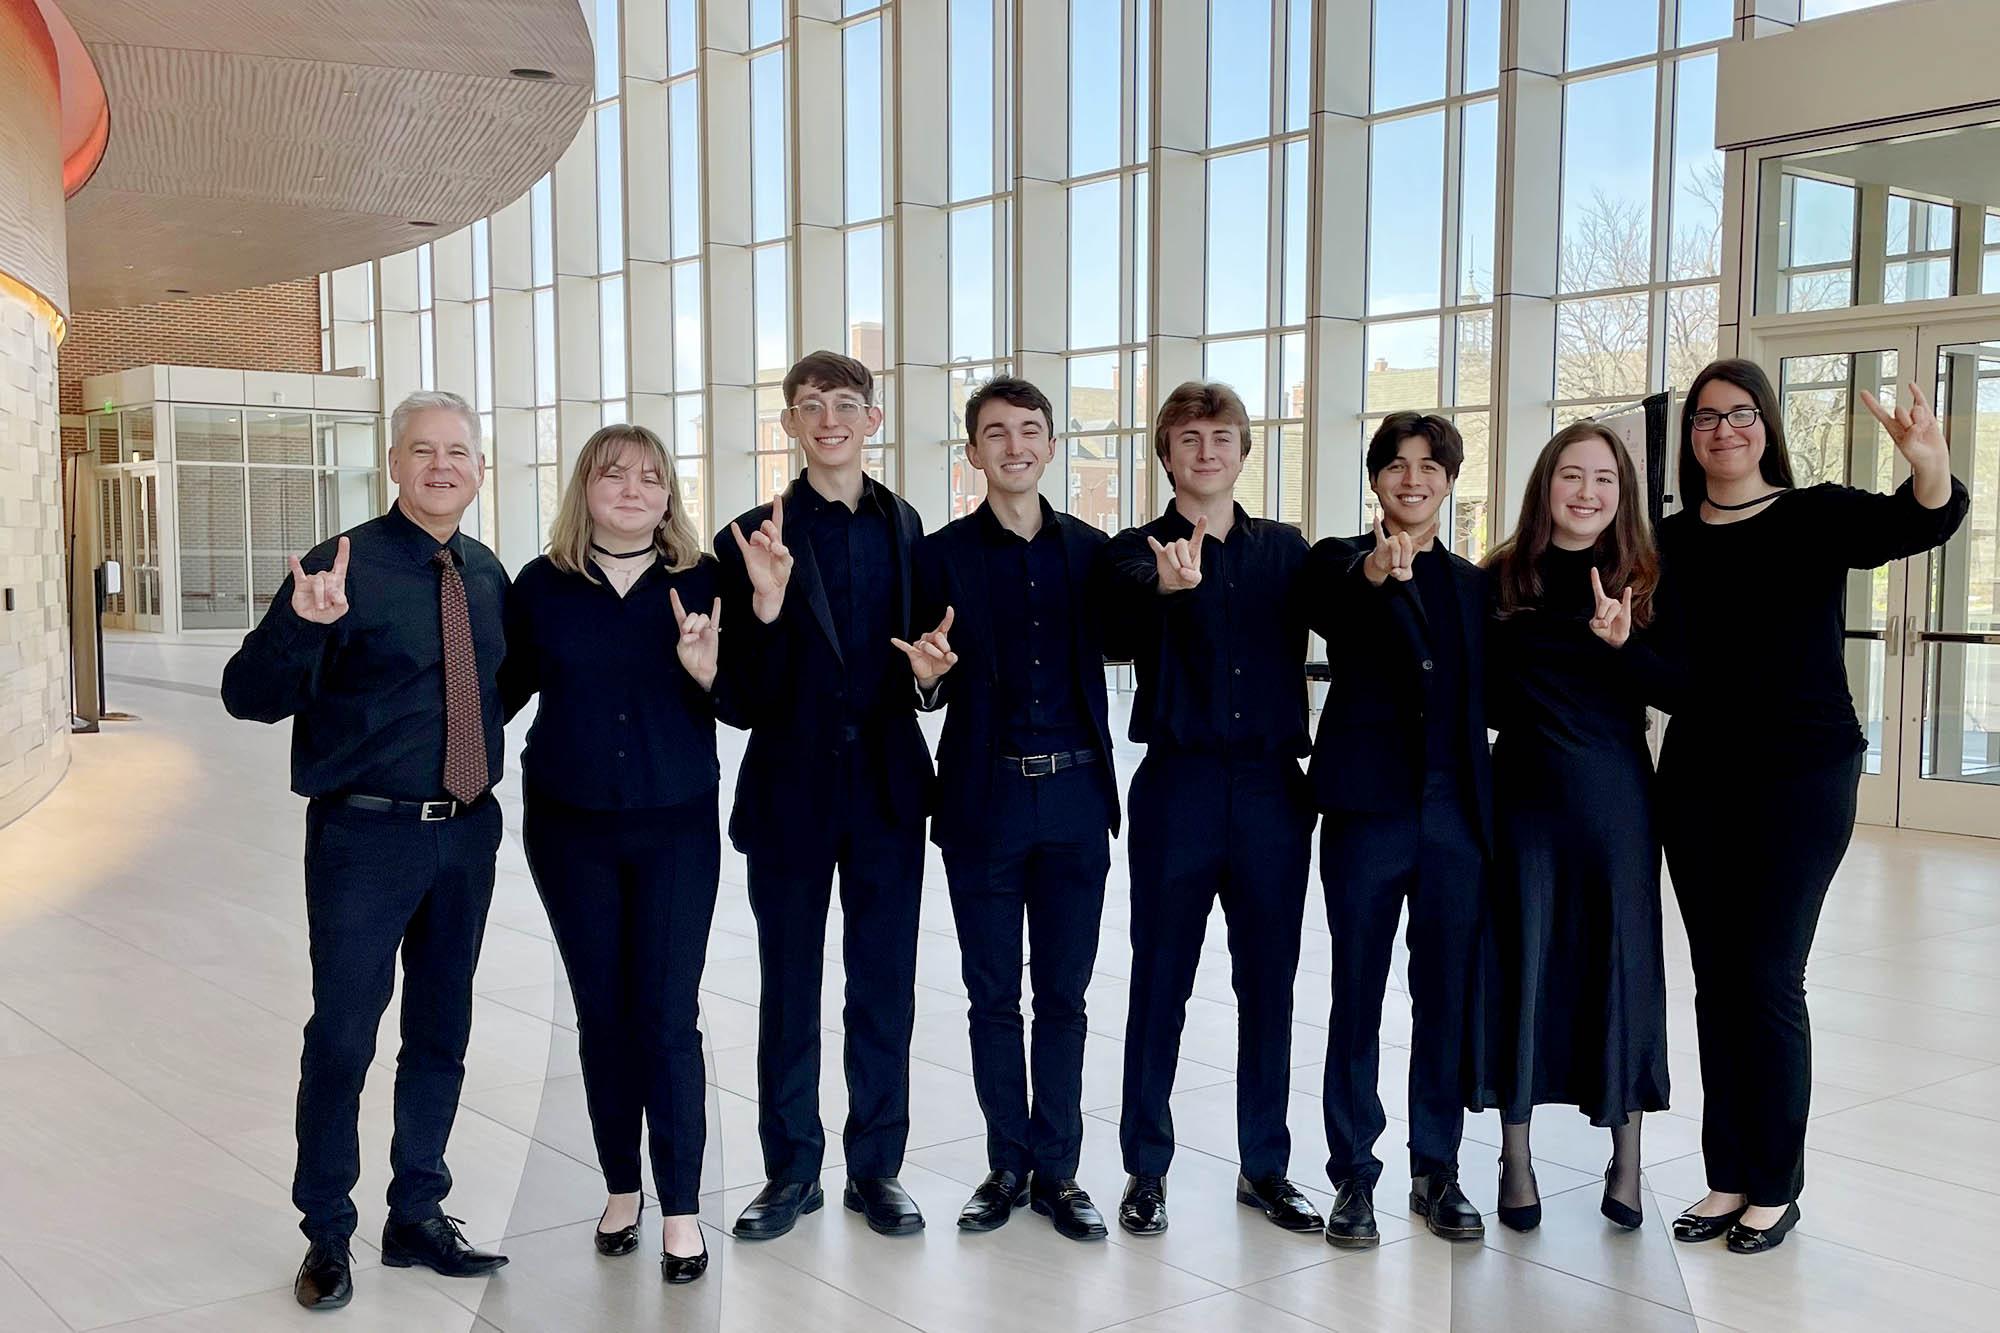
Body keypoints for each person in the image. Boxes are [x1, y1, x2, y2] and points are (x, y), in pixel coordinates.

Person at [1657, 358, 1967, 1255]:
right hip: (1701, 777)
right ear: (1690, 436)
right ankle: (1728, 1174)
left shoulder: (1814, 513)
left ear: (1766, 427)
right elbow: (1658, 662)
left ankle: (1776, 1186)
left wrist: (1927, 462)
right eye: (1708, 417)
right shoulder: (1669, 541)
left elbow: (1924, 522)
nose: (1725, 430)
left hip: (1801, 774)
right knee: (1718, 982)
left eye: (1742, 413)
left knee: (1768, 975)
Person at [221, 390, 510, 1310]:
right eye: (422, 450)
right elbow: (248, 696)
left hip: (466, 834)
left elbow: (504, 688)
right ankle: (328, 1234)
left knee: (442, 1031)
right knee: (344, 1035)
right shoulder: (336, 564)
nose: (441, 465)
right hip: (363, 836)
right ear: (393, 463)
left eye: (458, 451)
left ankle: (417, 1212)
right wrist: (299, 626)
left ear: (478, 469)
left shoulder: (487, 571)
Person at [712, 350, 934, 1241]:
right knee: (788, 984)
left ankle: (876, 1168)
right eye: (811, 406)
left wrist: (928, 684)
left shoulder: (907, 525)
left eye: (846, 404)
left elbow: (927, 659)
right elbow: (735, 696)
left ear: (872, 419)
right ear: (790, 425)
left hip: (886, 789)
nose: (830, 419)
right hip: (791, 790)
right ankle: (791, 1170)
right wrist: (765, 610)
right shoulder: (749, 534)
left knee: (885, 985)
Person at [499, 424, 722, 1284]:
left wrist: (708, 671)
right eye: (612, 475)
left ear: (669, 495)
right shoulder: (542, 585)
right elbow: (500, 692)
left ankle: (682, 1206)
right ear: (582, 490)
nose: (632, 489)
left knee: (668, 1017)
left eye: (650, 477)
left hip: (675, 827)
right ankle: (621, 1186)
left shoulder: (703, 582)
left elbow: (743, 702)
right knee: (602, 1016)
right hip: (570, 829)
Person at [1099, 381, 1322, 1239]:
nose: (1205, 451)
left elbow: (1345, 603)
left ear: (1243, 449)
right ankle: (1145, 1170)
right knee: (1160, 982)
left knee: (1268, 985)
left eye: (1221, 435)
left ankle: (1265, 1164)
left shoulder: (1288, 552)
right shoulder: (1133, 549)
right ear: (1166, 453)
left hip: (1272, 789)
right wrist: (1163, 585)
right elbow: (1113, 621)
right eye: (1188, 437)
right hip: (1179, 785)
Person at [901, 376, 1121, 1242]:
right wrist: (926, 684)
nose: (1015, 446)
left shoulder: (1094, 553)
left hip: (1072, 797)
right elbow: (923, 666)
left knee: (1063, 997)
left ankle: (1059, 1172)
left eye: (1031, 431)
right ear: (975, 451)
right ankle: (1007, 1164)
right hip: (982, 795)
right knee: (992, 995)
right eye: (997, 433)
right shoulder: (942, 554)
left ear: (1052, 445)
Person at [1477, 421, 1672, 1234]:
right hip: (1524, 796)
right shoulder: (1500, 577)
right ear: (1544, 484)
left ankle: (1626, 1156)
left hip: (1617, 801)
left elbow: (1681, 686)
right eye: (1571, 475)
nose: (1587, 492)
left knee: (1618, 964)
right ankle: (1514, 1151)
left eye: (1604, 479)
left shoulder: (1646, 577)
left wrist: (1626, 645)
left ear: (1622, 494)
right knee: (1522, 962)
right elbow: (1478, 695)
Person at [1307, 412, 1493, 1246]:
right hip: (1366, 812)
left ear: (1450, 480)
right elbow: (1334, 600)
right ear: (1376, 478)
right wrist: (1378, 571)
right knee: (1357, 992)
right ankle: (1353, 1172)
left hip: (1455, 812)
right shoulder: (1337, 563)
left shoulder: (1473, 584)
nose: (1413, 479)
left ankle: (1436, 1166)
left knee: (1444, 994)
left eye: (1430, 466)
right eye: (1396, 465)